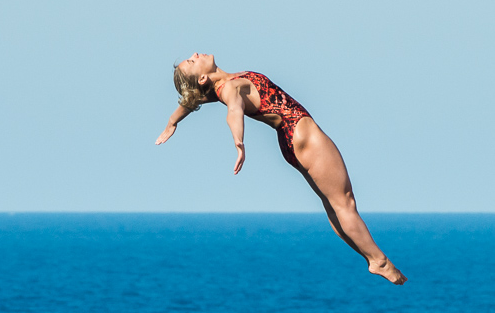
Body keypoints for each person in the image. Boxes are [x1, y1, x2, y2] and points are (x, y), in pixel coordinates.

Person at [156, 52, 407, 285]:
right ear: (201, 77)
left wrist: (171, 122)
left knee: (333, 205)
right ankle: (379, 260)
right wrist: (239, 143)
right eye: (191, 61)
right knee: (345, 203)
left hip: (291, 140)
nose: (195, 55)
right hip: (301, 132)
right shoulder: (228, 88)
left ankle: (370, 257)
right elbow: (234, 111)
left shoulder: (221, 84)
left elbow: (191, 101)